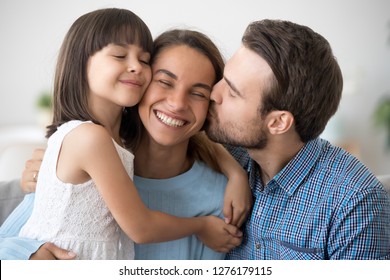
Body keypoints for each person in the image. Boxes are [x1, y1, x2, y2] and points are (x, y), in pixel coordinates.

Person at [0, 8, 247, 260]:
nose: (177, 103)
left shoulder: (222, 199)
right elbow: (7, 242)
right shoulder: (86, 156)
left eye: (198, 93)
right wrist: (30, 255)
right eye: (164, 81)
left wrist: (235, 172)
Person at [204, 19, 390, 259]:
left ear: (278, 122)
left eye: (232, 92)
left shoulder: (355, 203)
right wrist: (235, 172)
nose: (213, 93)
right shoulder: (229, 154)